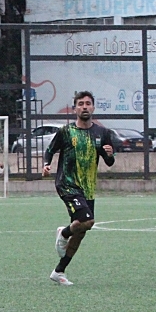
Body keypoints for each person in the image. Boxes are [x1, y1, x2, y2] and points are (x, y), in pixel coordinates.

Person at [42, 90, 114, 285]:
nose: (84, 107)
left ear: (93, 107)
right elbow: (50, 150)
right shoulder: (66, 132)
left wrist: (110, 154)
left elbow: (109, 162)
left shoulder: (102, 133)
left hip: (87, 187)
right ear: (75, 109)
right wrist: (46, 164)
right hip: (67, 183)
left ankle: (59, 271)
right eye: (80, 104)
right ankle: (64, 233)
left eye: (88, 103)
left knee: (81, 231)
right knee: (88, 221)